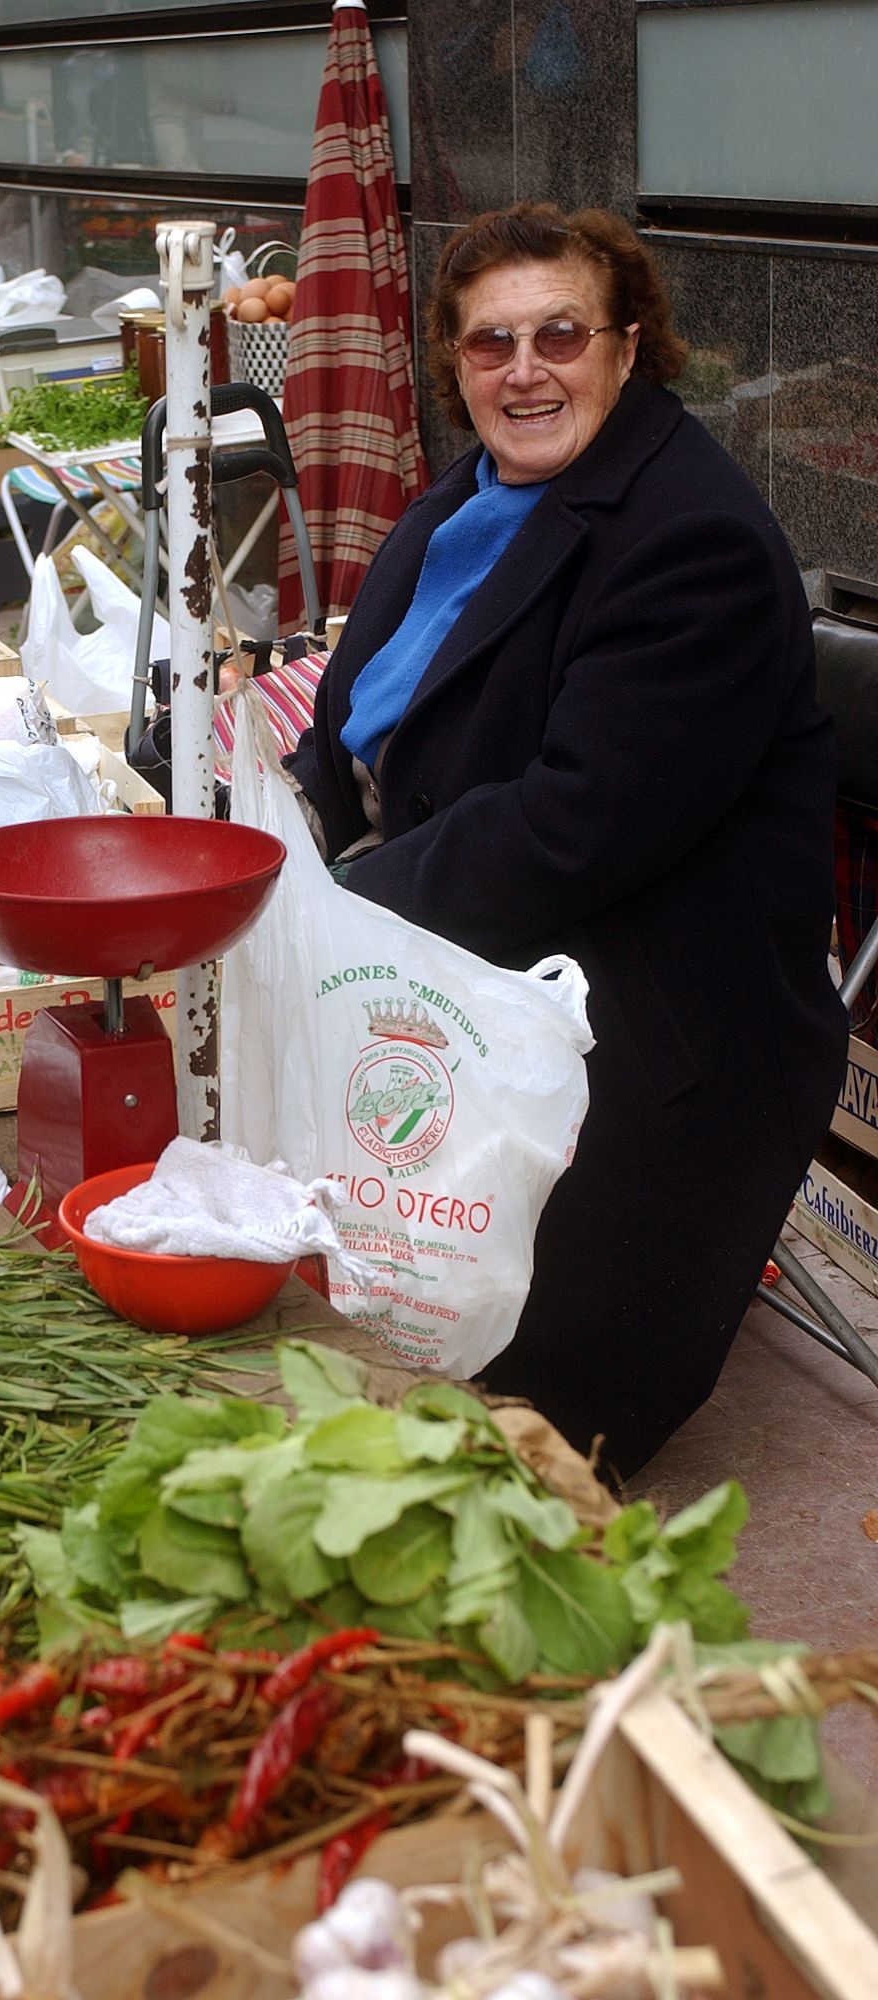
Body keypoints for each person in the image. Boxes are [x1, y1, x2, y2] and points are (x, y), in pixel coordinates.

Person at [288, 201, 848, 1481]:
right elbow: (348, 731)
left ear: (628, 346)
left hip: (651, 1017)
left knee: (491, 1454)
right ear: (453, 362)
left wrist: (327, 907)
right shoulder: (464, 506)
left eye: (559, 334)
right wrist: (277, 820)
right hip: (471, 951)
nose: (523, 370)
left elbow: (570, 823)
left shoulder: (688, 540)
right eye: (490, 345)